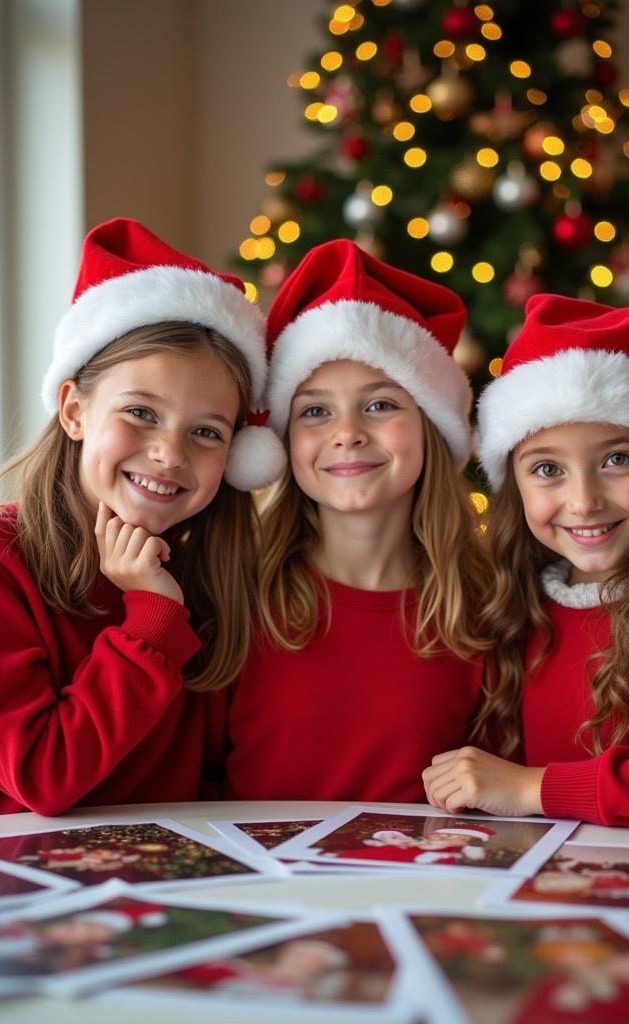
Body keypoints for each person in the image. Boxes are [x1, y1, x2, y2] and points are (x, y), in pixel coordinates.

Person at [0, 217, 285, 817]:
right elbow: (45, 778)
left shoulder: (204, 573)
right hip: (15, 888)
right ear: (74, 411)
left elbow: (214, 779)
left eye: (205, 432)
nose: (170, 452)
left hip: (164, 888)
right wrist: (153, 618)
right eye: (141, 412)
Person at [423, 294, 629, 832]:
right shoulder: (513, 606)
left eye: (617, 459)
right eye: (547, 468)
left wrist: (533, 786)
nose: (584, 500)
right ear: (514, 485)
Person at [224, 239, 490, 802]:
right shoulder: (236, 595)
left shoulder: (485, 607)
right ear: (284, 440)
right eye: (315, 411)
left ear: (430, 428)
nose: (347, 432)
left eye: (380, 404)